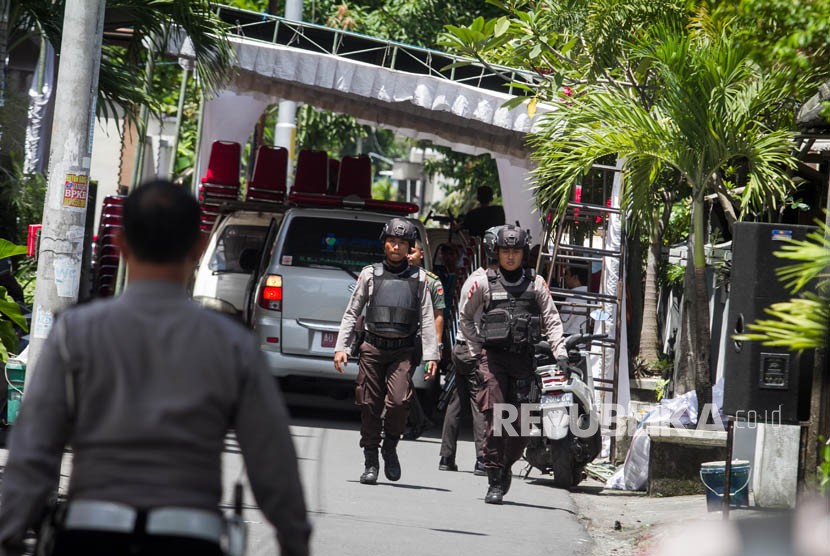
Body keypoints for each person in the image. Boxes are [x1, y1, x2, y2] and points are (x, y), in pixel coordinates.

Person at [0, 180, 311, 556]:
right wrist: (294, 543)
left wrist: (10, 530)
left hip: (89, 535)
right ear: (198, 248)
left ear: (120, 244)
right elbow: (271, 459)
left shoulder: (76, 333)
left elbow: (34, 450)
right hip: (189, 537)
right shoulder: (231, 344)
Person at [457, 224, 568, 504]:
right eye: (505, 251)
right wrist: (475, 348)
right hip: (492, 360)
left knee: (520, 426)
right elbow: (465, 316)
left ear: (523, 253)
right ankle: (494, 478)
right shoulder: (482, 280)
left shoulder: (537, 283)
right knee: (495, 418)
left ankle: (506, 464)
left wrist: (561, 353)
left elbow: (552, 320)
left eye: (515, 251)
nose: (510, 256)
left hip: (524, 361)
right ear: (497, 251)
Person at [333, 218, 439, 485]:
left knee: (400, 402)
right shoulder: (370, 274)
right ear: (384, 243)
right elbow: (352, 312)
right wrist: (341, 348)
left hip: (403, 351)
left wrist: (431, 356)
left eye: (402, 243)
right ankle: (371, 461)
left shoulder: (421, 279)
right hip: (372, 348)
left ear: (409, 248)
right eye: (392, 241)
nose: (396, 246)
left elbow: (427, 318)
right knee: (369, 404)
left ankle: (390, 446)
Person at [402, 239, 443, 440]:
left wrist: (436, 345)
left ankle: (397, 422)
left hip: (417, 338)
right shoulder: (395, 276)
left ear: (421, 254)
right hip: (397, 335)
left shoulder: (431, 281)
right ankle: (419, 420)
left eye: (412, 251)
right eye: (406, 252)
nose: (408, 255)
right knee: (400, 379)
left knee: (400, 378)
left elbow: (438, 315)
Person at [559, 265, 590, 336]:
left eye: (566, 274)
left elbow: (563, 324)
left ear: (575, 277)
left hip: (570, 340)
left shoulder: (575, 296)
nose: (565, 277)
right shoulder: (589, 294)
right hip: (581, 339)